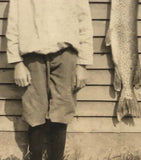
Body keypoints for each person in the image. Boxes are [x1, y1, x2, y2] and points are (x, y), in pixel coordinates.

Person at [6, 0, 93, 159]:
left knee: (62, 110)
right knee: (34, 112)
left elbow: (84, 22)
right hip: (32, 55)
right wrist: (17, 62)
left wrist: (83, 64)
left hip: (65, 54)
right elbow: (13, 24)